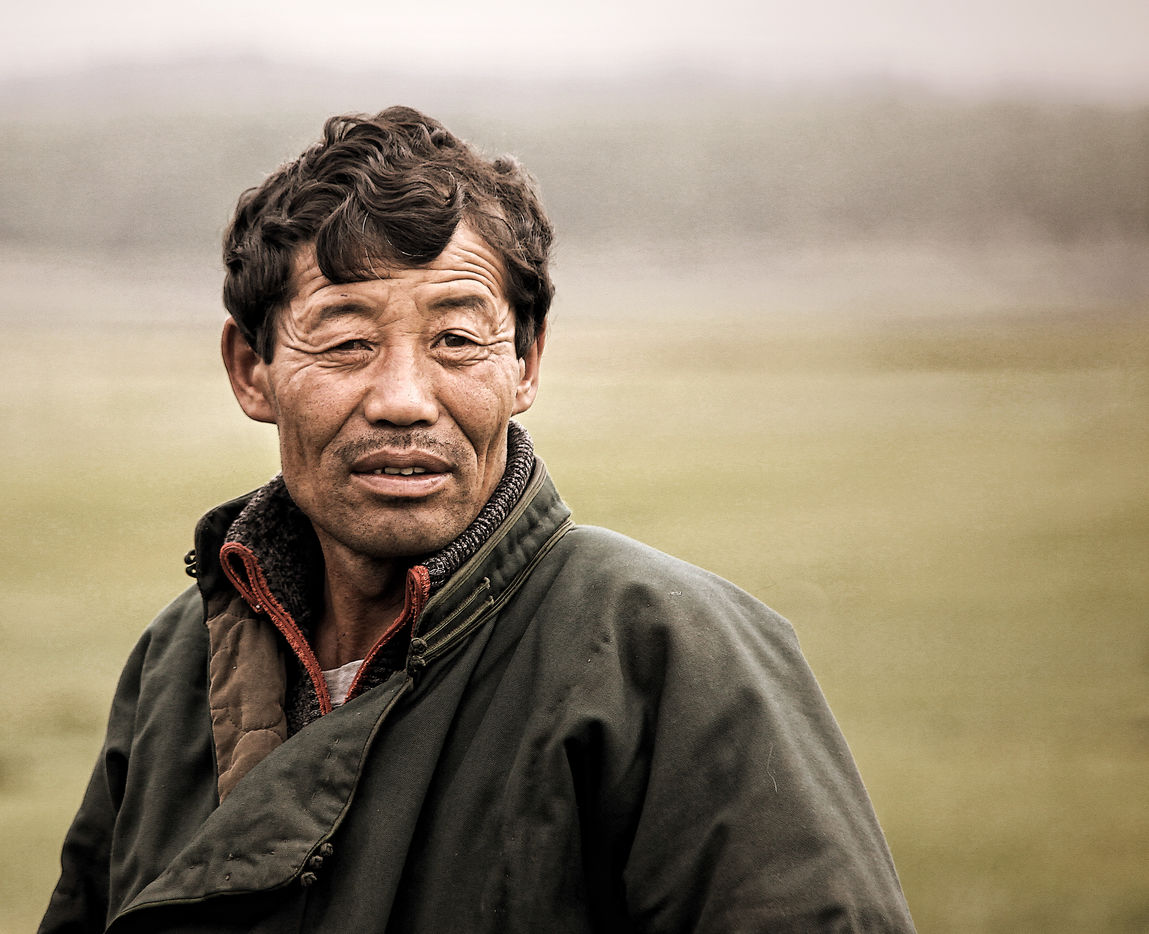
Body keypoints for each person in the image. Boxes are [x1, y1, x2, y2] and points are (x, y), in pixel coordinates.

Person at [39, 105, 915, 933]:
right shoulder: (180, 661)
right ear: (249, 369)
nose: (403, 399)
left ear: (526, 363)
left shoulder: (663, 649)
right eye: (346, 341)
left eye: (456, 340)